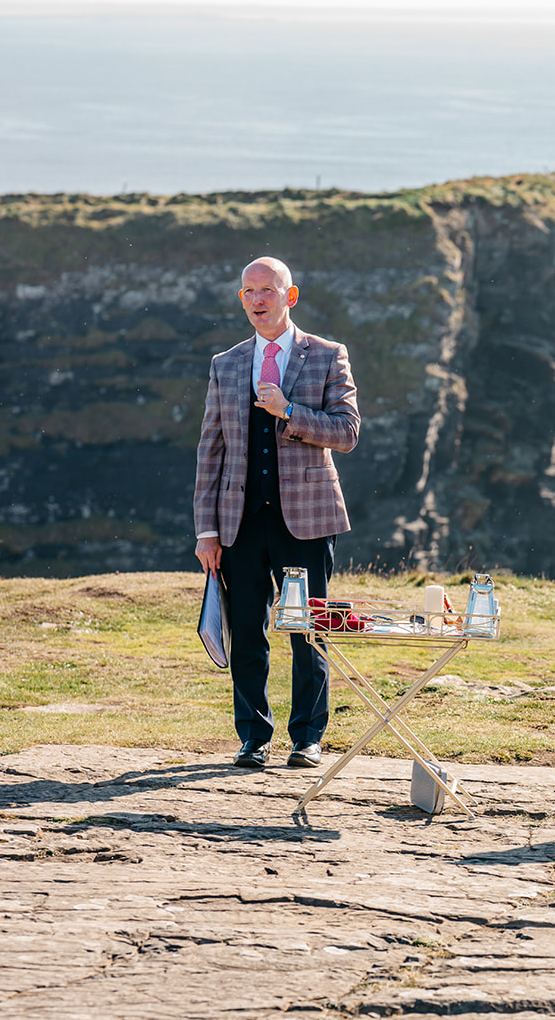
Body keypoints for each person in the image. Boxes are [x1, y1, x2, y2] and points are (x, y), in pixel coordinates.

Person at [194, 257, 361, 770]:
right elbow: (210, 451)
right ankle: (253, 737)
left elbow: (347, 432)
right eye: (248, 291)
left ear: (290, 296)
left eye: (268, 289)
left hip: (307, 518)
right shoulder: (226, 364)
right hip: (239, 522)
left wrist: (289, 410)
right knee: (247, 630)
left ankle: (307, 738)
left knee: (309, 630)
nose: (257, 300)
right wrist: (206, 531)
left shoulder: (328, 355)